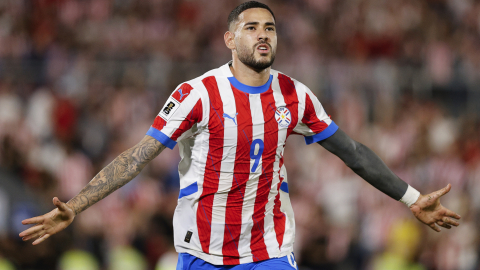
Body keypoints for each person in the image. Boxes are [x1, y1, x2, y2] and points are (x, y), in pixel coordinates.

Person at [19, 2, 461, 269]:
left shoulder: (295, 94)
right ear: (230, 38)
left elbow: (353, 152)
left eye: (270, 28)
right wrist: (75, 205)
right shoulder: (197, 94)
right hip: (200, 250)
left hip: (268, 250)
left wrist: (410, 198)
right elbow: (138, 156)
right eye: (252, 27)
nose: (263, 35)